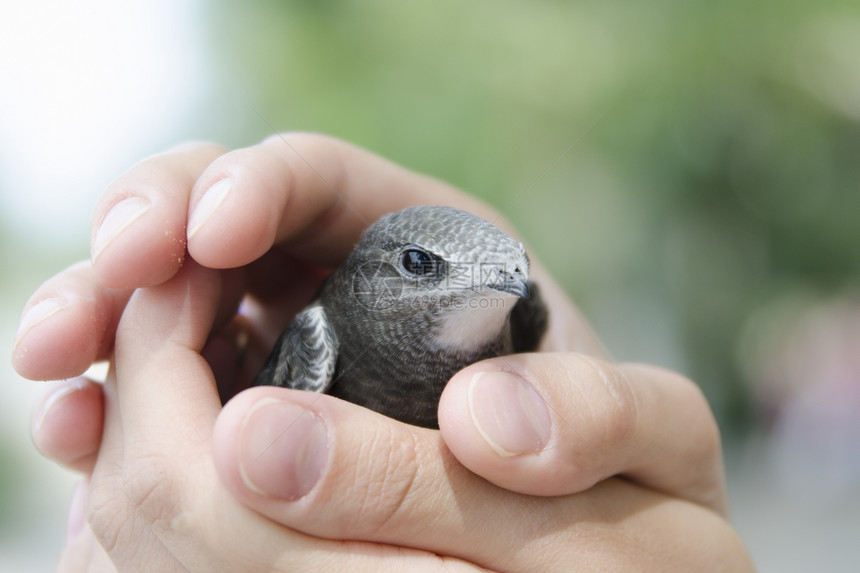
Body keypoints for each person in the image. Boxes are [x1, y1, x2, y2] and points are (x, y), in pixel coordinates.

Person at [13, 134, 754, 571]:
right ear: (370, 273)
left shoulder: (522, 325)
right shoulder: (317, 337)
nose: (499, 284)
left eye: (509, 270)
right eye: (425, 267)